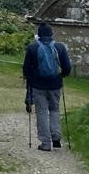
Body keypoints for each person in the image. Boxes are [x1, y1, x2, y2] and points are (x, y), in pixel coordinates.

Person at [23, 21, 72, 150]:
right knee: (55, 110)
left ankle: (45, 143)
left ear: (39, 35)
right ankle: (56, 136)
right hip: (55, 84)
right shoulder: (60, 47)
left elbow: (26, 69)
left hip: (39, 85)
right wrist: (62, 75)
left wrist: (30, 80)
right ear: (51, 34)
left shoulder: (32, 48)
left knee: (42, 112)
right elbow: (67, 67)